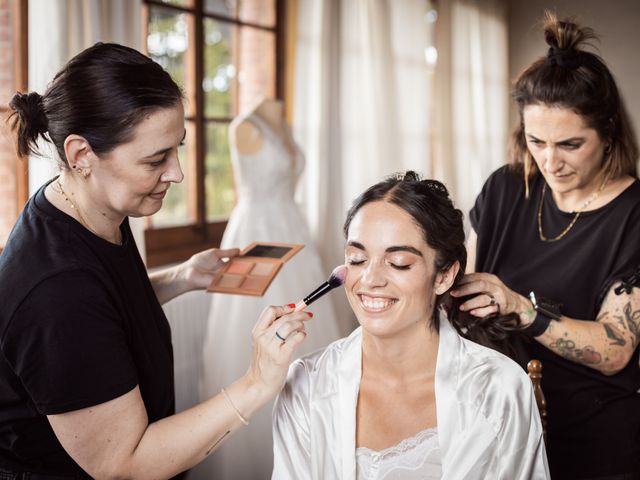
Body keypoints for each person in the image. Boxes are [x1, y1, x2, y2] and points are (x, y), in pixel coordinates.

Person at [0, 42, 310, 479]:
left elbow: (105, 303)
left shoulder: (86, 204)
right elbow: (124, 464)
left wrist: (181, 277)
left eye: (176, 148)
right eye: (155, 159)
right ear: (80, 154)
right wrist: (256, 383)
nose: (177, 173)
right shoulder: (55, 290)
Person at [453, 12, 640, 479]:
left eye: (570, 144)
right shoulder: (505, 189)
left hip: (595, 439)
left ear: (609, 132)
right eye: (536, 140)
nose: (550, 161)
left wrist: (524, 311)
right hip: (501, 427)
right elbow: (464, 289)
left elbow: (616, 349)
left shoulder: (633, 213)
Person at [272, 172, 550, 479]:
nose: (371, 280)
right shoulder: (306, 386)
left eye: (399, 263)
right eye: (357, 258)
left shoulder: (499, 388)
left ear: (443, 276)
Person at [192, 98, 342, 479]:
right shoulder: (245, 126)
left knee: (309, 337)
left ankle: (311, 450)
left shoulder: (283, 123)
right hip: (257, 236)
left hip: (294, 237)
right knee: (251, 341)